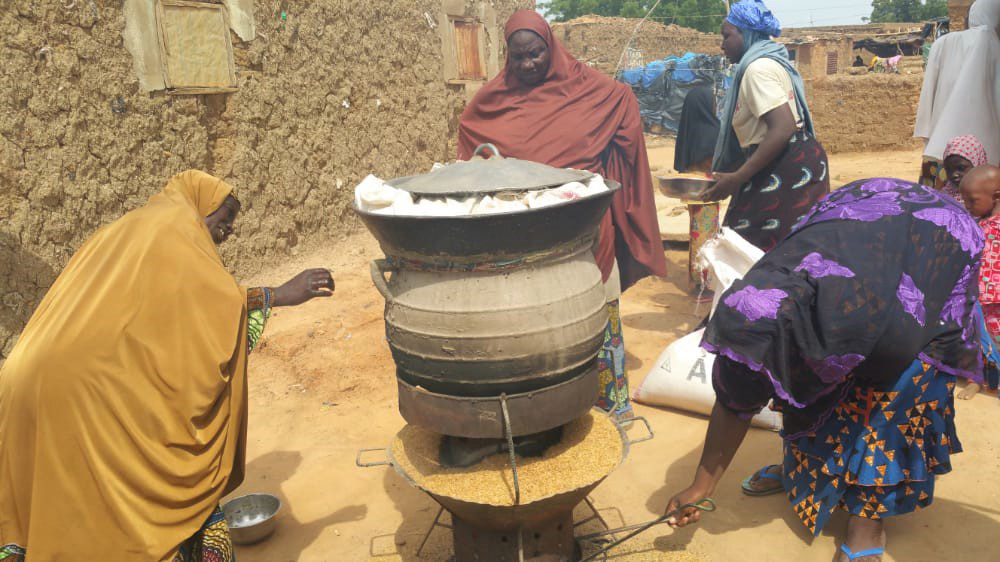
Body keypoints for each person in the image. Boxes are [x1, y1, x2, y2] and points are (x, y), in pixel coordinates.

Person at [0, 170, 334, 560]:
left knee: (59, 502)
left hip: (25, 377)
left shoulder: (128, 229)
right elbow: (210, 320)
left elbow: (166, 317)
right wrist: (278, 295)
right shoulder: (177, 229)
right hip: (80, 390)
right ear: (201, 208)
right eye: (223, 222)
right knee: (162, 496)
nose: (224, 234)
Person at [664, 178, 983, 562]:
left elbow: (888, 368)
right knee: (799, 387)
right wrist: (701, 487)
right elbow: (737, 399)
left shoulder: (890, 325)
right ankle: (804, 473)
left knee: (892, 396)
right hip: (862, 212)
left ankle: (868, 518)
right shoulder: (756, 307)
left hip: (936, 241)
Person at [457, 10, 667, 420]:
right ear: (507, 56)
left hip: (584, 230)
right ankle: (549, 414)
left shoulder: (590, 90)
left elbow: (622, 103)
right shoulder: (492, 100)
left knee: (598, 316)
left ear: (549, 47)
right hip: (524, 236)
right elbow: (472, 145)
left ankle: (613, 408)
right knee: (535, 329)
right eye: (518, 58)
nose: (528, 64)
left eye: (535, 53)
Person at [706, 0, 830, 252]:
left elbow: (782, 127)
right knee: (782, 248)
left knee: (744, 246)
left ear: (746, 34)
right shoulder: (770, 63)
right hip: (789, 159)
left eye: (727, 36)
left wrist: (737, 178)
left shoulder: (757, 70)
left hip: (785, 167)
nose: (722, 45)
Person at [915, 0, 1000, 188]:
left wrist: (928, 135)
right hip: (987, 163)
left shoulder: (942, 43)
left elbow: (928, 95)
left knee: (937, 208)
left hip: (940, 150)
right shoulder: (992, 45)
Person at [958, 166, 1000, 400]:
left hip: (996, 299)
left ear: (995, 196)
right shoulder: (979, 223)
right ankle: (977, 380)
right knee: (978, 342)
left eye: (972, 200)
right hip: (978, 299)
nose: (967, 206)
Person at [674, 85, 721, 174]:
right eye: (714, 102)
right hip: (711, 183)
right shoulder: (717, 131)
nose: (716, 106)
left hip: (688, 183)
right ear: (706, 104)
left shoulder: (685, 132)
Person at [939, 134, 990, 201]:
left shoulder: (990, 197)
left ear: (977, 164)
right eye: (948, 169)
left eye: (961, 168)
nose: (954, 175)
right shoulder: (943, 196)